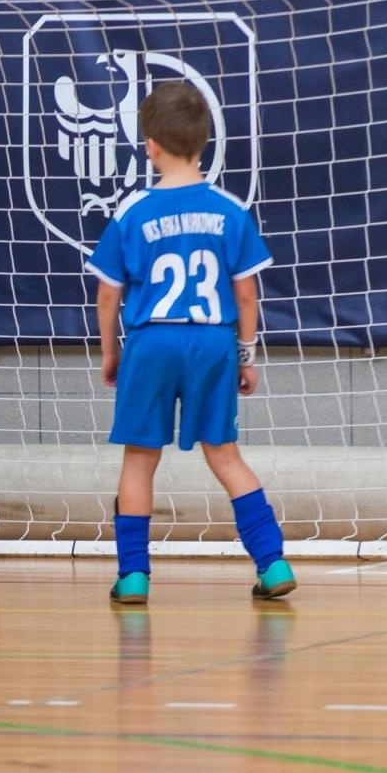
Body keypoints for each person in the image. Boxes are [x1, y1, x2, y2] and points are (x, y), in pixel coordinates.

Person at [87, 82, 295, 604]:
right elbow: (247, 296)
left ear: (149, 144)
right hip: (212, 342)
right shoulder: (229, 210)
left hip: (151, 341)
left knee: (139, 460)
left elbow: (108, 294)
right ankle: (273, 564)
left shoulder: (131, 212)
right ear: (203, 143)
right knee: (225, 455)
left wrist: (112, 351)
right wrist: (245, 356)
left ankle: (133, 576)